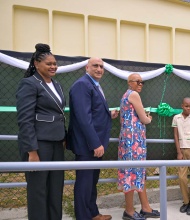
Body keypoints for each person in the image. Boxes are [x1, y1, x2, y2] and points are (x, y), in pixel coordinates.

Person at [16, 43, 66, 220]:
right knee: (38, 190)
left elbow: (58, 114)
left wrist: (64, 136)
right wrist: (32, 151)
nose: (53, 66)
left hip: (56, 143)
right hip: (39, 145)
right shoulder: (29, 84)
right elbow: (25, 119)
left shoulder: (57, 85)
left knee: (55, 187)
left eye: (55, 63)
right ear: (37, 64)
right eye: (49, 64)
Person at [67, 57, 118, 220]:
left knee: (91, 182)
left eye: (101, 66)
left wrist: (109, 115)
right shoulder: (82, 85)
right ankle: (83, 216)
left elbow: (93, 112)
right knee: (84, 183)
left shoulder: (94, 85)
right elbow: (83, 117)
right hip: (88, 145)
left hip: (94, 144)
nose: (99, 69)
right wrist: (95, 143)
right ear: (87, 68)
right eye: (95, 66)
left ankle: (93, 213)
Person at [118, 73, 160, 220]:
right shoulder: (133, 94)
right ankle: (129, 211)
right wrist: (148, 118)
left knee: (137, 173)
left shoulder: (125, 95)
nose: (140, 84)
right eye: (138, 82)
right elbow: (144, 119)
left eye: (142, 82)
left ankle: (145, 207)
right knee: (131, 173)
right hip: (133, 142)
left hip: (130, 140)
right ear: (130, 82)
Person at [172, 97, 190, 216]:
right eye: (186, 106)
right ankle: (186, 201)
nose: (188, 108)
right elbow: (175, 135)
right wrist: (179, 152)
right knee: (182, 178)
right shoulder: (176, 118)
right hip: (182, 150)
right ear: (182, 105)